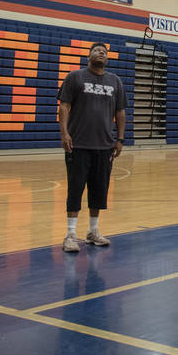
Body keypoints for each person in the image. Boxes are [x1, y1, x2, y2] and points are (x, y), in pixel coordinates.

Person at [58, 42, 127, 252]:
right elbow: (64, 106)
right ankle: (70, 235)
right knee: (75, 189)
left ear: (107, 59)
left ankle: (93, 232)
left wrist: (120, 139)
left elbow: (120, 113)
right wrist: (64, 133)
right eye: (97, 50)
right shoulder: (75, 77)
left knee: (99, 190)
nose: (101, 53)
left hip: (104, 146)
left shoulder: (115, 81)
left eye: (104, 52)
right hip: (78, 144)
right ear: (89, 56)